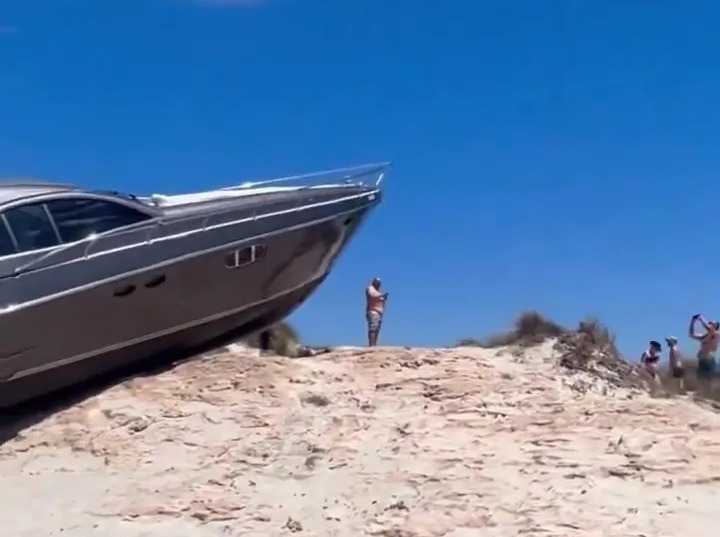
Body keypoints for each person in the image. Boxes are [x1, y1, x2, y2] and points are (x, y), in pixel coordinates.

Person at [688, 314, 720, 391]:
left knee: (709, 379)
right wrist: (692, 322)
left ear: (716, 326)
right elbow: (691, 334)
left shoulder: (716, 334)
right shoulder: (704, 336)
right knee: (701, 378)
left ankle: (710, 395)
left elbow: (710, 330)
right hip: (702, 359)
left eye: (712, 323)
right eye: (710, 323)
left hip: (709, 359)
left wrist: (701, 318)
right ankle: (703, 394)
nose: (710, 324)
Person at [365, 277, 388, 347]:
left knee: (377, 329)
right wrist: (382, 296)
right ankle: (371, 344)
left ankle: (374, 344)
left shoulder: (378, 291)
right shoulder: (370, 288)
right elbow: (372, 295)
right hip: (373, 310)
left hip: (379, 312)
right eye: (377, 282)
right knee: (373, 328)